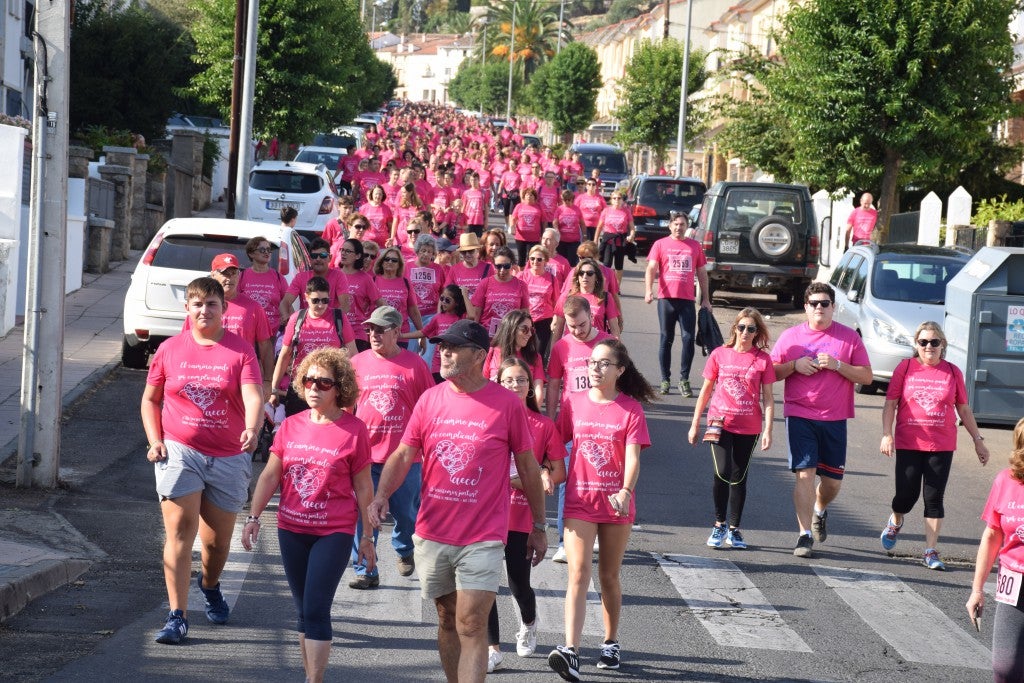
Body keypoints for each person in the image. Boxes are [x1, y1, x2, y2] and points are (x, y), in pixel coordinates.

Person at [366, 320, 549, 683]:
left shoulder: (506, 405)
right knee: (447, 618)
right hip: (434, 531)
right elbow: (404, 453)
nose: (444, 353)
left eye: (453, 347)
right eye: (443, 346)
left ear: (479, 356)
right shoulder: (430, 399)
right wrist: (381, 495)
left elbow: (528, 468)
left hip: (483, 535)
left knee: (471, 622)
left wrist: (539, 526)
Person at [141, 277, 263, 645]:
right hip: (181, 451)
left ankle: (209, 585)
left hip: (228, 456)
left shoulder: (241, 351)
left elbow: (253, 395)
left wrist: (253, 428)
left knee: (216, 545)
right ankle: (177, 616)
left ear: (224, 308)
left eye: (211, 303)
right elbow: (151, 399)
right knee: (180, 531)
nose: (204, 310)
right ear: (187, 309)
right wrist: (156, 440)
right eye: (197, 304)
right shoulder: (169, 349)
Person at [242, 348, 376, 683]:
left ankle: (315, 680)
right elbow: (271, 475)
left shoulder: (354, 430)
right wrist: (253, 517)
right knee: (302, 611)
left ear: (340, 387)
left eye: (324, 382)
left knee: (316, 608)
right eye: (309, 380)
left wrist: (368, 537)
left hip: (333, 532)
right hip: (291, 529)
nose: (314, 387)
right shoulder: (290, 425)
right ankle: (309, 676)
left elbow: (363, 487)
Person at [548, 338, 653, 681]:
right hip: (579, 500)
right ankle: (571, 650)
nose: (595, 368)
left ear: (620, 370)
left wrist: (625, 491)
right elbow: (556, 443)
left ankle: (610, 642)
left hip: (615, 503)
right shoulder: (574, 402)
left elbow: (633, 458)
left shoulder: (630, 410)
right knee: (578, 573)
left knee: (608, 576)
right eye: (592, 362)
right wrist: (546, 469)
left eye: (604, 363)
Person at [771, 282, 872, 558]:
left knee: (832, 483)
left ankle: (820, 508)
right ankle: (804, 535)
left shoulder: (849, 338)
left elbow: (867, 377)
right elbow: (770, 373)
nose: (819, 308)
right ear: (806, 307)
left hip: (834, 418)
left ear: (833, 307)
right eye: (814, 303)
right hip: (800, 414)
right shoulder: (790, 337)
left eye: (824, 303)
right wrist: (794, 366)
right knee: (805, 474)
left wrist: (838, 366)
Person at [878, 321, 990, 569]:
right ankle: (896, 521)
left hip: (941, 444)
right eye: (923, 342)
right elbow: (891, 404)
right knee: (906, 496)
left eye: (934, 342)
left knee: (934, 498)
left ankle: (930, 551)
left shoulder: (952, 372)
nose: (929, 346)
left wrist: (978, 441)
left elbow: (963, 409)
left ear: (942, 345)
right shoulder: (905, 368)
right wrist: (887, 434)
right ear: (916, 344)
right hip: (909, 442)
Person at [487, 358, 567, 673]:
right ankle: (492, 648)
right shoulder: (488, 419)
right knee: (485, 583)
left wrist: (541, 474)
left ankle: (529, 622)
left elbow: (559, 472)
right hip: (488, 514)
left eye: (521, 380)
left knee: (518, 583)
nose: (515, 386)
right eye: (508, 380)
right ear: (498, 384)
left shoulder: (542, 425)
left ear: (530, 387)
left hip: (521, 515)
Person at [348, 306, 434, 589]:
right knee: (364, 514)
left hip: (404, 459)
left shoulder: (415, 365)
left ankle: (404, 547)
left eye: (380, 330)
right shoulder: (357, 363)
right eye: (370, 329)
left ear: (397, 332)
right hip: (366, 456)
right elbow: (346, 409)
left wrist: (428, 450)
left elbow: (428, 409)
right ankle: (366, 570)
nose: (373, 334)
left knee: (406, 514)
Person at [687, 308, 775, 550]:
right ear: (735, 328)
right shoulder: (719, 354)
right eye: (742, 327)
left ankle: (734, 529)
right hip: (719, 422)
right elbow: (705, 391)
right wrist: (694, 424)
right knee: (722, 472)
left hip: (749, 426)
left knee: (739, 476)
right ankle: (719, 524)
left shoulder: (763, 360)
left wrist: (768, 430)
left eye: (751, 329)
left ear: (757, 333)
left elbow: (768, 398)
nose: (745, 332)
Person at [966, 417, 1024, 682]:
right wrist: (977, 590)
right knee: (1005, 669)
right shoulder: (1006, 480)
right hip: (1015, 582)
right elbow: (992, 535)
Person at [644, 211, 712, 397]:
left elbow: (702, 273)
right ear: (670, 225)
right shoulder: (660, 244)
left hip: (687, 301)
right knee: (666, 338)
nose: (678, 227)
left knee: (688, 339)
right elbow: (651, 268)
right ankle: (665, 379)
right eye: (676, 224)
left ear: (687, 227)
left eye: (682, 224)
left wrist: (706, 299)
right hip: (666, 300)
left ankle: (684, 379)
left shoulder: (694, 246)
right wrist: (648, 290)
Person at [270, 276, 358, 416]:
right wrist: (274, 389)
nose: (321, 305)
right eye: (315, 300)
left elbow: (353, 354)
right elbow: (284, 355)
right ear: (306, 297)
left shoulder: (339, 318)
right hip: (302, 385)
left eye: (325, 300)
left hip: (329, 386)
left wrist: (353, 389)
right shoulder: (297, 319)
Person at [483, 308, 546, 403]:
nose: (529, 334)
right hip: (496, 406)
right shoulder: (491, 352)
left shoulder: (535, 357)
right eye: (525, 329)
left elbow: (538, 393)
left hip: (524, 409)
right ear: (511, 328)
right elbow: (482, 385)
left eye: (532, 330)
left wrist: (529, 411)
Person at [281, 238, 350, 320]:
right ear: (309, 259)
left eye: (323, 255)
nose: (318, 259)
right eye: (314, 256)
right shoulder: (300, 277)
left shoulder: (339, 276)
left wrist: (330, 322)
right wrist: (286, 317)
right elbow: (285, 303)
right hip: (306, 325)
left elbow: (345, 306)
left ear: (330, 257)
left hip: (331, 324)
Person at [468, 246, 530, 339]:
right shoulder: (485, 283)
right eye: (498, 266)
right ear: (493, 265)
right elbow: (477, 313)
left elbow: (525, 314)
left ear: (512, 264)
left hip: (511, 337)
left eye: (506, 266)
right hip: (487, 336)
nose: (502, 270)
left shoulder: (521, 285)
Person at [552, 258, 621, 339]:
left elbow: (614, 330)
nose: (585, 276)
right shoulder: (566, 296)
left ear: (596, 277)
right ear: (577, 276)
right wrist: (554, 347)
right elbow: (558, 329)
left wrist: (617, 346)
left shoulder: (605, 297)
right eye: (581, 273)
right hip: (572, 344)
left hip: (598, 344)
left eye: (589, 273)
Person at [517, 245, 559, 360]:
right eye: (532, 258)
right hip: (524, 319)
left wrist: (555, 320)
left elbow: (557, 302)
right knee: (522, 351)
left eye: (539, 259)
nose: (535, 262)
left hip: (544, 322)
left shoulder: (552, 279)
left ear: (545, 261)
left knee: (538, 354)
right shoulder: (521, 276)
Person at [238, 236, 288, 332]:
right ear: (251, 254)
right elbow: (235, 301)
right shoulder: (242, 276)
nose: (266, 252)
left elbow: (287, 303)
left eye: (269, 250)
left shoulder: (278, 277)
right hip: (248, 329)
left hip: (273, 331)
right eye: (262, 250)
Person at [373, 246, 423, 336]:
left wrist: (422, 334)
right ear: (381, 262)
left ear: (399, 264)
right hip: (378, 333)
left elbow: (413, 311)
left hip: (400, 333)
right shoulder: (373, 281)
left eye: (394, 260)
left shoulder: (405, 282)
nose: (390, 262)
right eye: (387, 259)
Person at [592, 190, 635, 286]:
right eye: (614, 198)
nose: (617, 200)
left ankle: (617, 287)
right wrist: (595, 240)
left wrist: (631, 235)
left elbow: (632, 227)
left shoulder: (626, 211)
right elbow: (599, 227)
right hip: (608, 240)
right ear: (611, 200)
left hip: (620, 241)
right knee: (606, 264)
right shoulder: (606, 211)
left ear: (622, 200)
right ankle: (605, 286)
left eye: (619, 198)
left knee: (619, 266)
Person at [510, 187, 545, 268]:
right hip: (520, 236)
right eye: (527, 195)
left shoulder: (539, 207)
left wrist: (543, 234)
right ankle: (521, 273)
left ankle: (530, 273)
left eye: (531, 195)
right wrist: (512, 227)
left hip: (534, 237)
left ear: (535, 197)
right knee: (521, 257)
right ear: (524, 196)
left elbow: (544, 221)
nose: (529, 196)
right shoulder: (519, 206)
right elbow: (513, 218)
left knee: (531, 257)